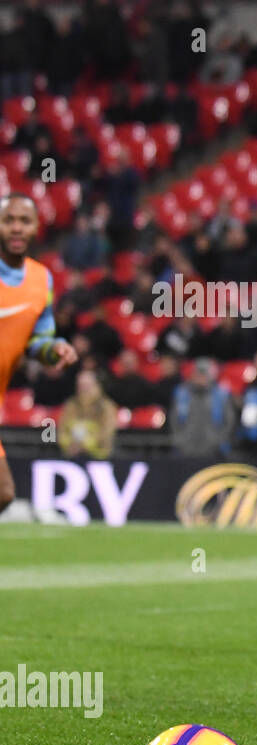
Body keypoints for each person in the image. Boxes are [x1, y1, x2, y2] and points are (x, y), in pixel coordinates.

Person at [0, 194, 78, 513]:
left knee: (4, 494)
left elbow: (37, 341)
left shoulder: (40, 279)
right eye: (8, 221)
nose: (16, 228)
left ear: (36, 228)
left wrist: (54, 349)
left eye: (24, 221)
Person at [171, 357, 235, 458]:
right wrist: (180, 441)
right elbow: (174, 420)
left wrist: (218, 441)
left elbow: (229, 422)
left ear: (210, 376)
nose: (201, 378)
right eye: (198, 374)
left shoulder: (221, 395)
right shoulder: (182, 394)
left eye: (204, 374)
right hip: (186, 451)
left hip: (214, 452)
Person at [59, 369, 118, 459]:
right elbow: (62, 430)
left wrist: (84, 445)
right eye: (80, 385)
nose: (83, 389)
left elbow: (106, 432)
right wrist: (69, 445)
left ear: (96, 385)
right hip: (72, 455)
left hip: (100, 457)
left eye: (87, 385)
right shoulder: (71, 405)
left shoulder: (106, 406)